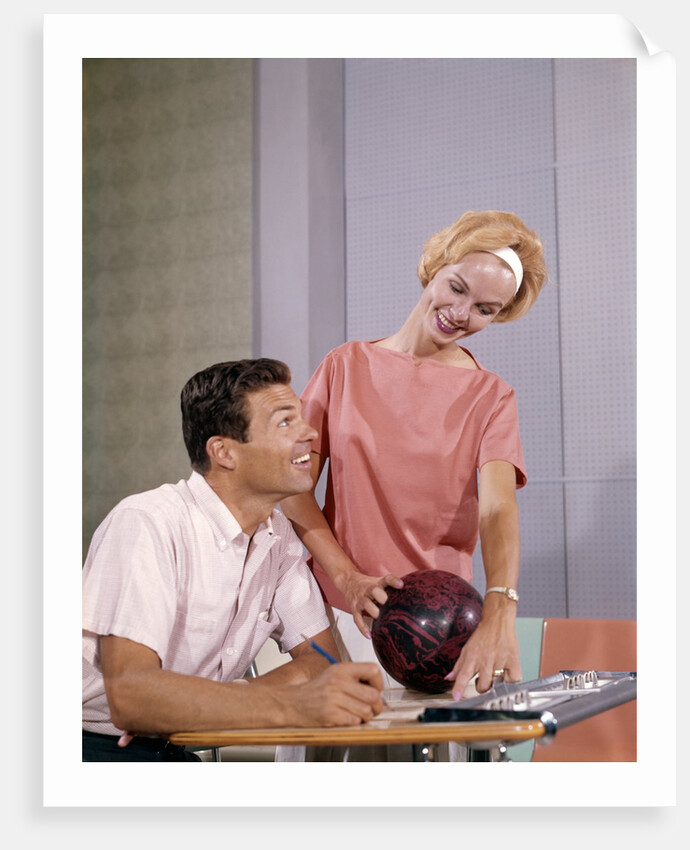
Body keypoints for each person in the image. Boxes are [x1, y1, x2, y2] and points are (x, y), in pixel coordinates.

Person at [280, 210, 547, 738]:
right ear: (435, 266)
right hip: (338, 613)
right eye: (457, 288)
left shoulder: (492, 397)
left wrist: (500, 608)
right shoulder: (343, 366)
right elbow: (292, 489)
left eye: (485, 309)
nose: (460, 314)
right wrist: (348, 578)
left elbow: (498, 508)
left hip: (440, 633)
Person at [82, 358, 384, 761]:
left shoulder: (279, 539)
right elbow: (133, 697)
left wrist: (204, 701)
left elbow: (323, 661)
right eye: (285, 422)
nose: (310, 433)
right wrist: (291, 704)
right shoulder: (146, 523)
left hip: (173, 748)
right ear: (223, 452)